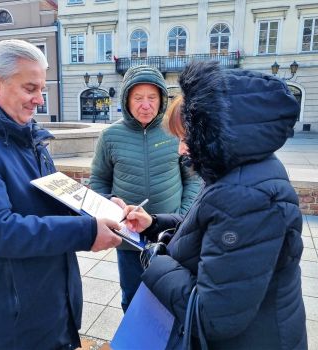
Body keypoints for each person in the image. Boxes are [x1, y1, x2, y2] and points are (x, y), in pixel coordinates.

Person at [0, 39, 122, 350]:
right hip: (10, 323)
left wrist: (98, 209)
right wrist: (87, 231)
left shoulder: (27, 136)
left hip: (49, 307)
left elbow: (54, 197)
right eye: (30, 88)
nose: (39, 99)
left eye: (41, 89)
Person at [124, 60, 307, 349]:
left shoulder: (247, 197)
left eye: (185, 138)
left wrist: (156, 262)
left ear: (212, 135)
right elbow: (209, 226)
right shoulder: (235, 171)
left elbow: (213, 316)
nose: (181, 149)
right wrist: (155, 224)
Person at [90, 65, 202, 312]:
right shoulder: (110, 136)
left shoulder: (174, 131)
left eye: (152, 97)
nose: (145, 105)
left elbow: (193, 178)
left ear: (162, 99)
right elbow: (98, 181)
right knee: (132, 297)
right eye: (138, 98)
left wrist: (182, 216)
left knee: (172, 299)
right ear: (127, 100)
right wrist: (111, 203)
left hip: (170, 234)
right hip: (130, 238)